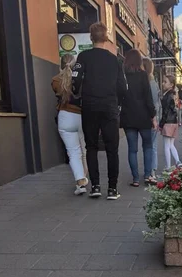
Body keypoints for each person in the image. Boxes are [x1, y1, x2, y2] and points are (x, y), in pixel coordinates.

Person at [72, 22, 127, 200]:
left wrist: (77, 92)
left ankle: (95, 186)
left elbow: (76, 80)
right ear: (106, 38)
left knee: (91, 146)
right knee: (112, 149)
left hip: (89, 106)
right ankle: (112, 189)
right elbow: (122, 87)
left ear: (91, 37)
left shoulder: (83, 57)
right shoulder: (115, 59)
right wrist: (117, 103)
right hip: (109, 107)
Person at [51, 54, 88, 195]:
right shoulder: (82, 81)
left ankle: (80, 182)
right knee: (84, 150)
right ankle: (85, 177)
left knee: (73, 153)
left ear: (61, 65)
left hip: (65, 117)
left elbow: (57, 95)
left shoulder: (55, 81)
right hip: (81, 117)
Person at [121, 49, 157, 187]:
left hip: (128, 117)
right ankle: (147, 175)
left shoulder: (123, 76)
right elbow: (148, 98)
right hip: (143, 117)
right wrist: (153, 116)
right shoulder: (143, 75)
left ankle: (135, 178)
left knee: (132, 149)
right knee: (147, 146)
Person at [143, 57, 161, 178]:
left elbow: (154, 103)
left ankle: (151, 171)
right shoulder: (153, 83)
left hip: (151, 118)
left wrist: (153, 118)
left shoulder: (149, 84)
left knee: (150, 145)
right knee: (150, 145)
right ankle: (151, 170)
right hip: (153, 117)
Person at [160, 75, 182, 169]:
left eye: (165, 82)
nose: (163, 83)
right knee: (171, 145)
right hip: (174, 122)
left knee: (166, 145)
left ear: (171, 84)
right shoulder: (174, 94)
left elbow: (165, 112)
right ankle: (178, 162)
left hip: (168, 122)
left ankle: (168, 167)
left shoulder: (167, 96)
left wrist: (161, 124)